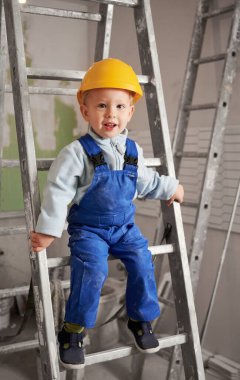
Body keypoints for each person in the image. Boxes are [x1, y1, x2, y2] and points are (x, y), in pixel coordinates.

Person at [31, 58, 184, 369]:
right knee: (92, 270)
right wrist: (48, 230)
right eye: (101, 105)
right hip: (89, 230)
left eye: (118, 106)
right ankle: (73, 331)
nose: (110, 113)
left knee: (142, 260)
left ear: (130, 112)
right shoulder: (76, 153)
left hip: (124, 228)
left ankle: (140, 320)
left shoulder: (132, 150)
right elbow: (58, 192)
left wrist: (170, 188)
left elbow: (145, 181)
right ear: (85, 110)